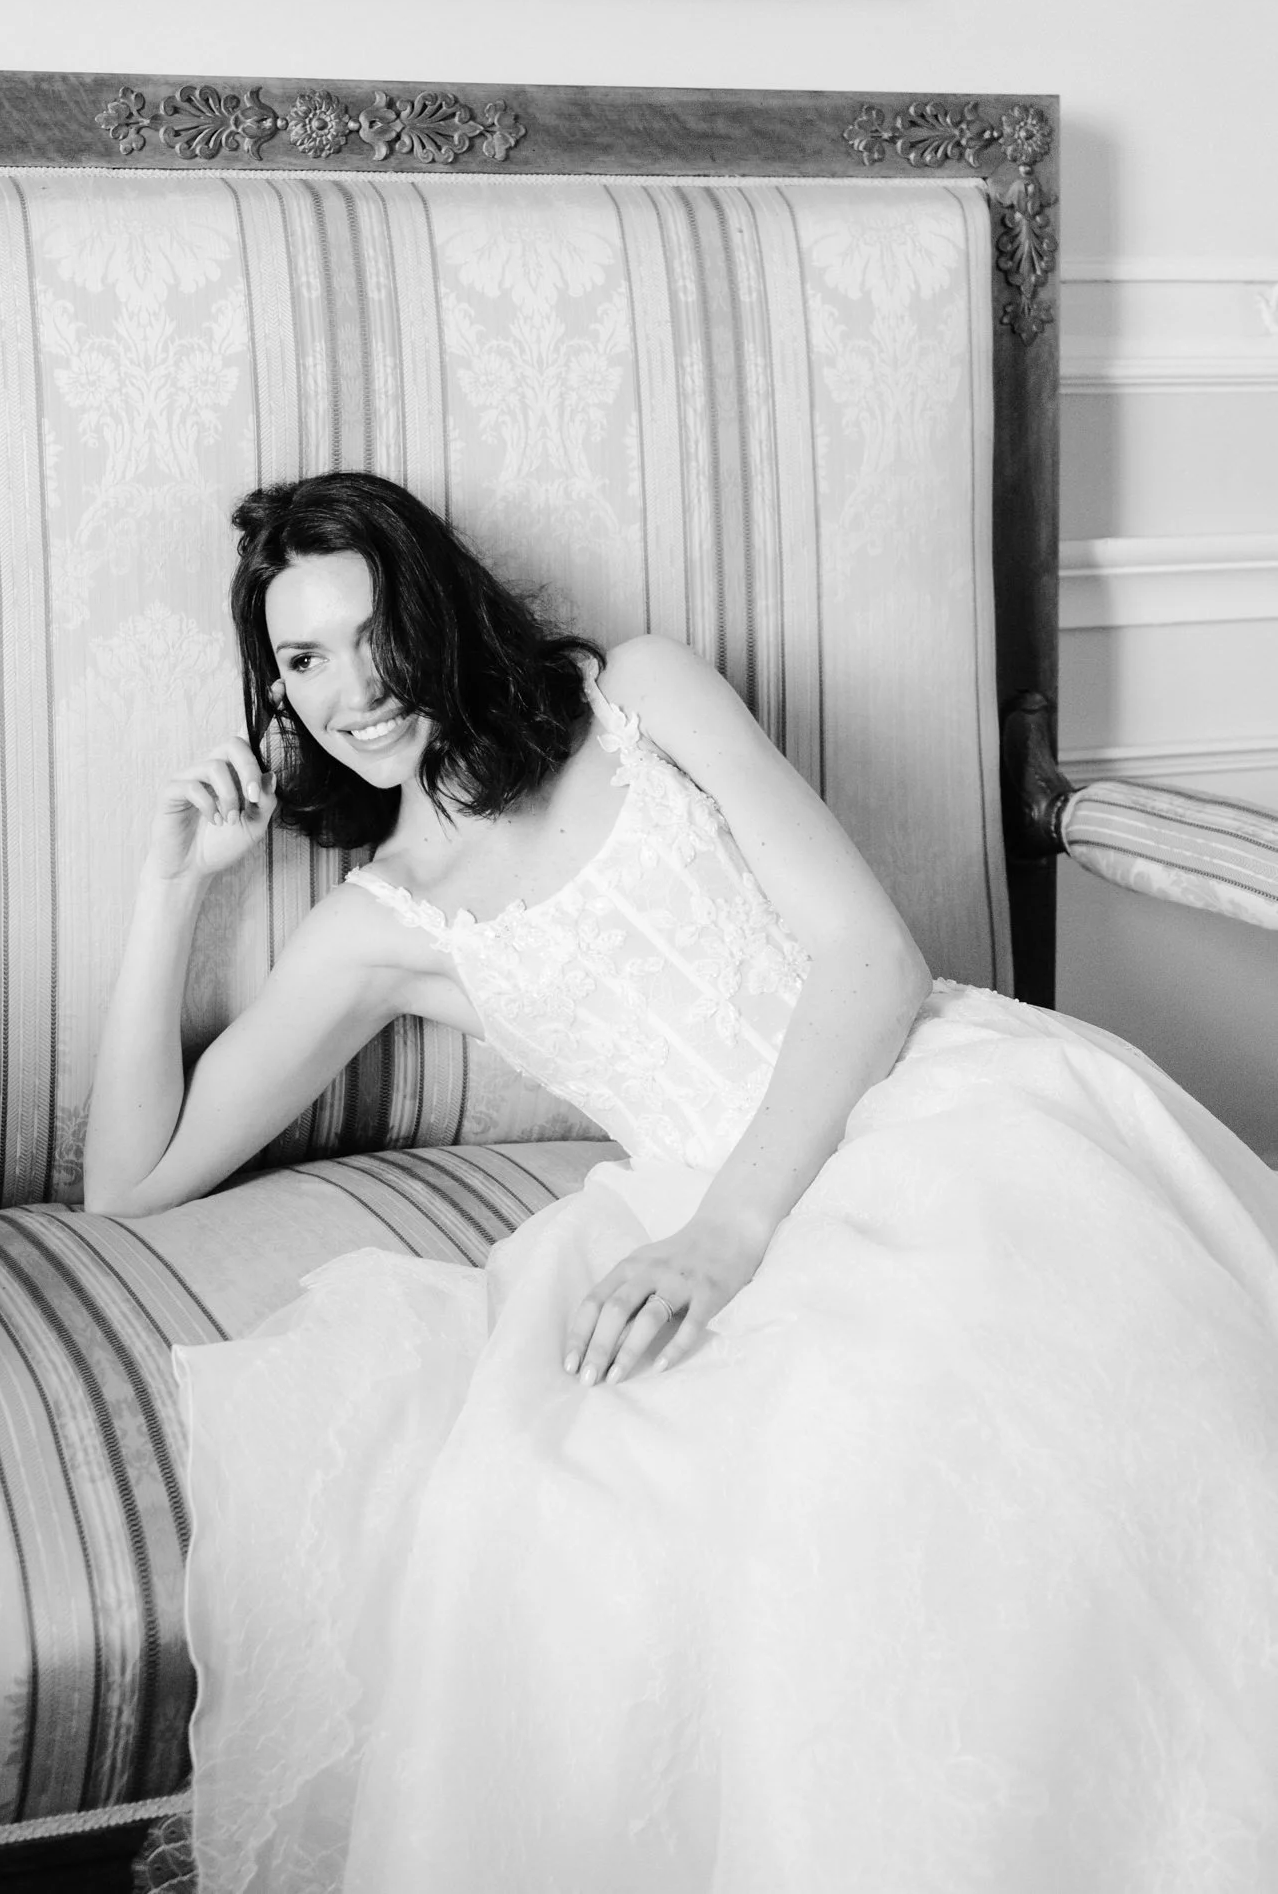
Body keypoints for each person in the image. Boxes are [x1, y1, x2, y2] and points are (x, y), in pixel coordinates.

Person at [85, 472, 1278, 1894]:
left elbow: (869, 961)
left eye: (370, 630)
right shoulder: (379, 921)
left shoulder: (637, 694)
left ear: (437, 606)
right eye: (299, 659)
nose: (352, 690)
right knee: (557, 1513)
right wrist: (172, 893)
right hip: (682, 1202)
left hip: (921, 1109)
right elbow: (130, 1182)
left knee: (1004, 1405)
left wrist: (729, 1234)